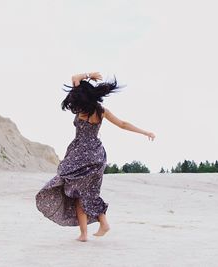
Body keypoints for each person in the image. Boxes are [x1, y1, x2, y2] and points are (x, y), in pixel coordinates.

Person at [35, 72, 156, 242]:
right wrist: (145, 132)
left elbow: (74, 78)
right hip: (96, 155)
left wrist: (88, 74)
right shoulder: (100, 111)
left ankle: (99, 224)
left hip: (80, 156)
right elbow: (123, 124)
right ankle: (87, 233)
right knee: (84, 193)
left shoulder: (82, 109)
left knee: (77, 191)